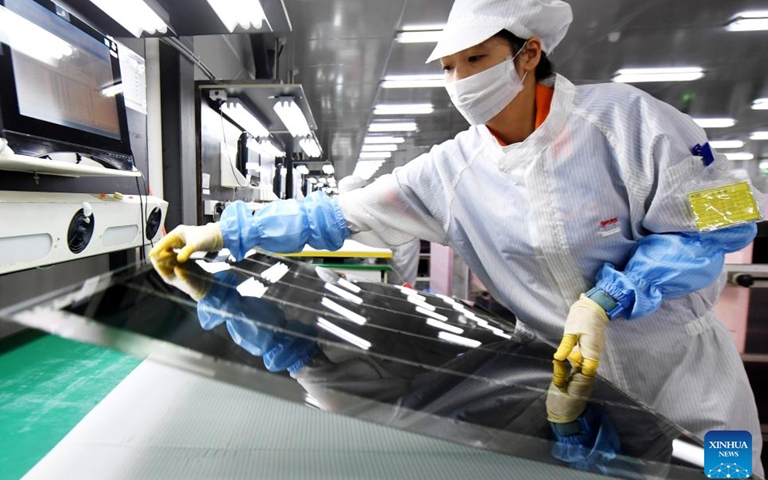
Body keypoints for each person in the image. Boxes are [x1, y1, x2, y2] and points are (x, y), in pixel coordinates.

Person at [151, 0, 764, 473]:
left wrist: (608, 299)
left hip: (683, 374)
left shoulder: (629, 122)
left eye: (475, 60)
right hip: (558, 385)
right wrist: (224, 232)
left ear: (528, 54)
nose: (459, 78)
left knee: (721, 475)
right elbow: (340, 213)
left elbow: (726, 216)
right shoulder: (453, 169)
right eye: (448, 66)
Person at [338, 175, 421, 287]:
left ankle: (402, 301)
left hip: (404, 242)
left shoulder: (375, 200)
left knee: (401, 282)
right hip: (391, 241)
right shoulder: (360, 203)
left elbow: (372, 230)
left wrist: (370, 260)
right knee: (390, 281)